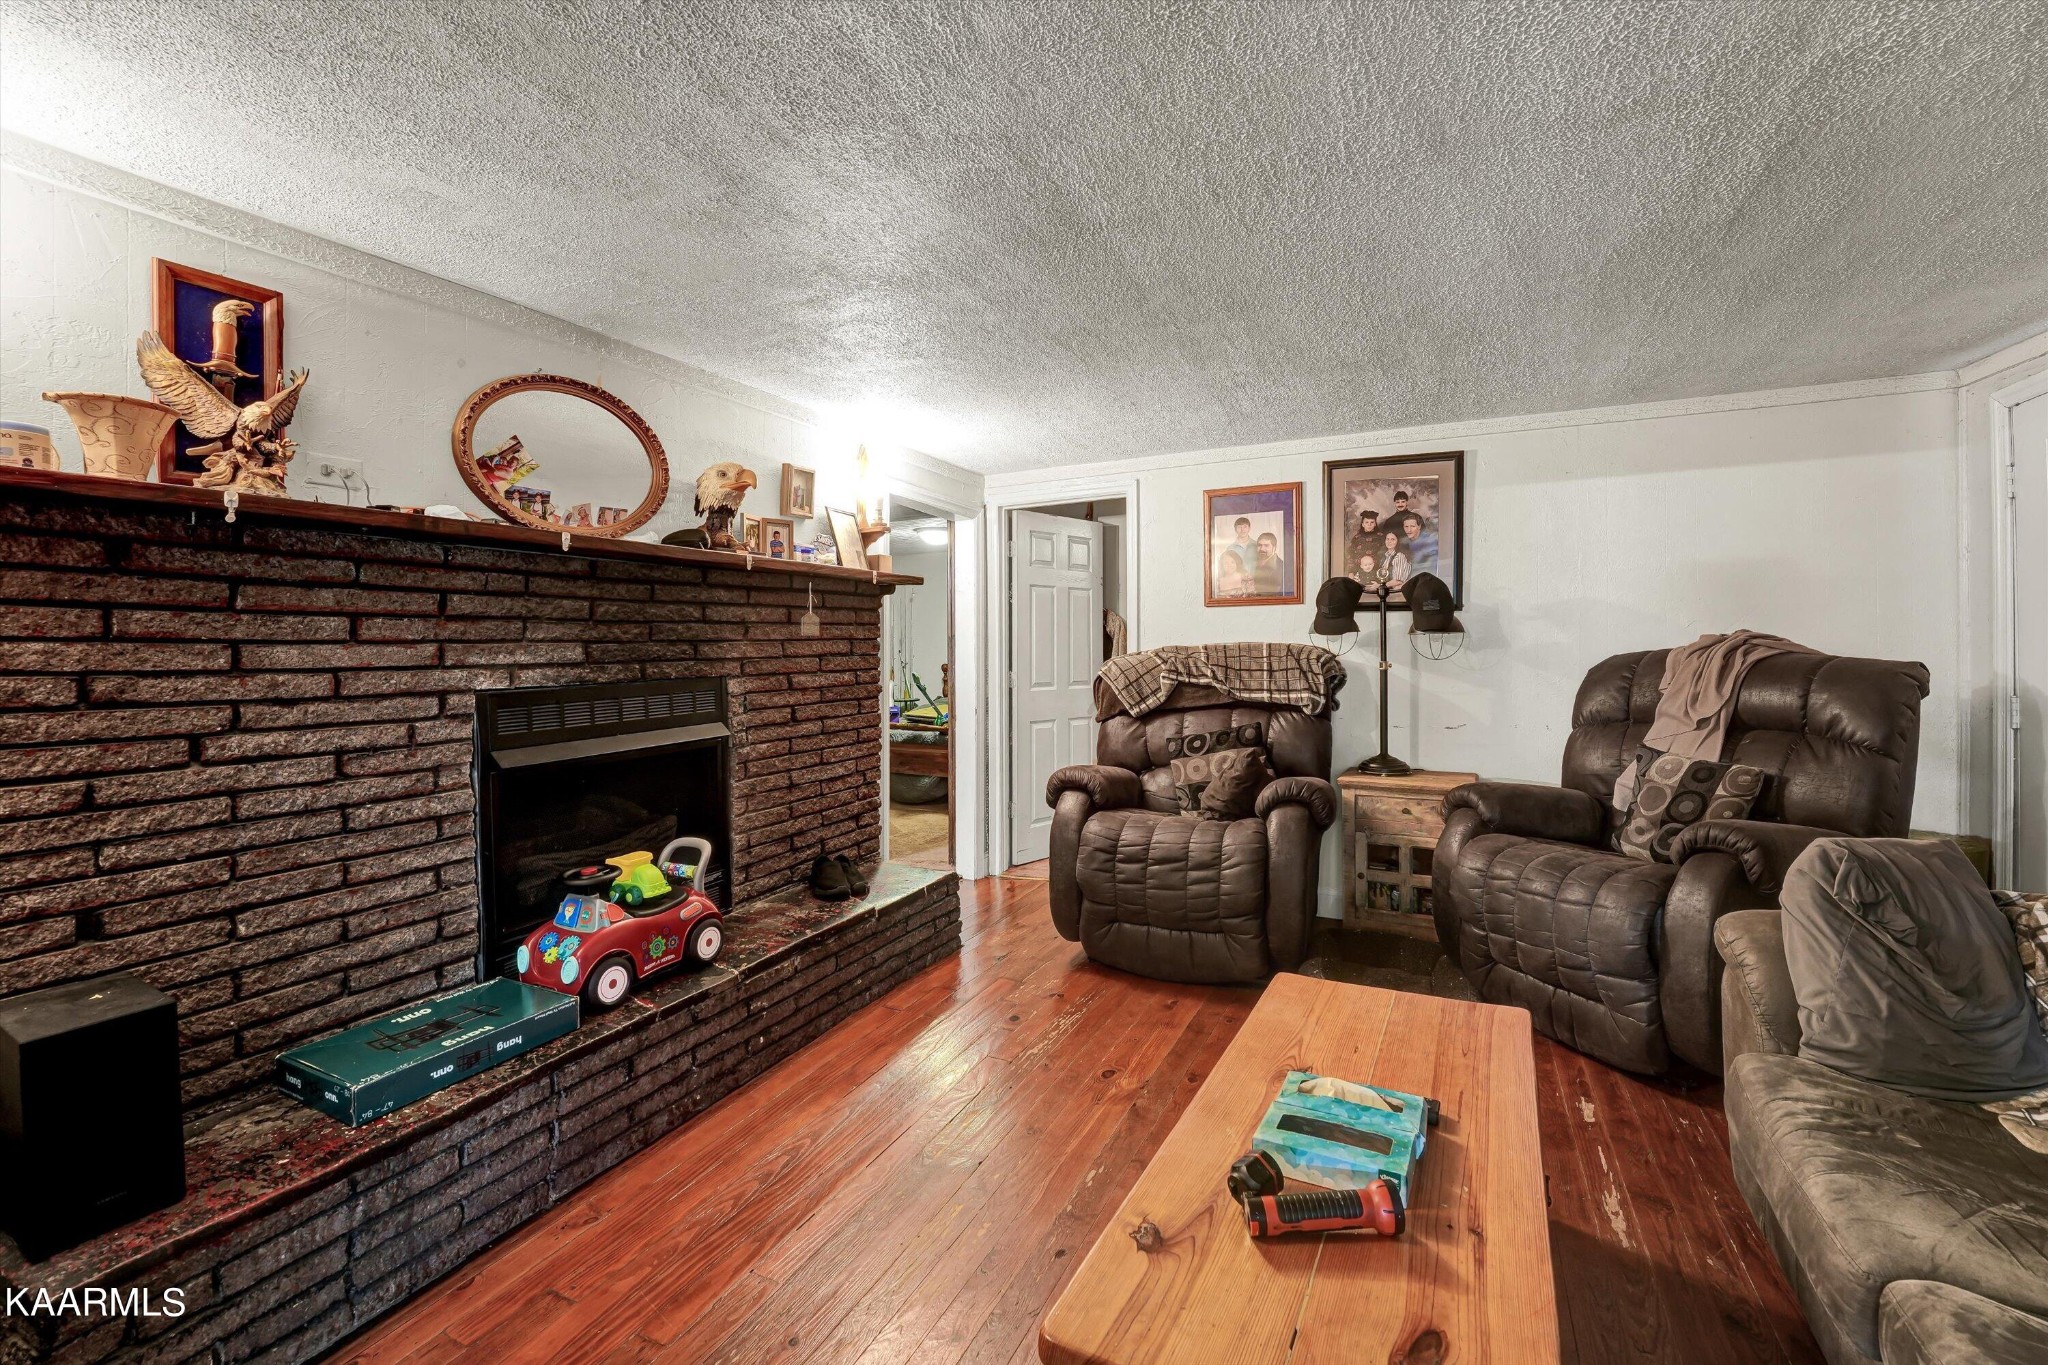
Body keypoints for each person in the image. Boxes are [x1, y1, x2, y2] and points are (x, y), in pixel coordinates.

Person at [1398, 511, 1437, 577]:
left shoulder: (1429, 542)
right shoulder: (1402, 542)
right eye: (1406, 526)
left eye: (1412, 526)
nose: (1409, 530)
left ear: (1419, 526)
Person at [1346, 507, 1383, 572]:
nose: (1369, 525)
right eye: (1367, 522)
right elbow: (1350, 554)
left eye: (1372, 522)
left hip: (1376, 569)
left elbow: (1384, 553)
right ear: (1363, 524)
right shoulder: (1357, 538)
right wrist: (1351, 571)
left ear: (1375, 524)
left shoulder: (1381, 537)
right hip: (1358, 569)